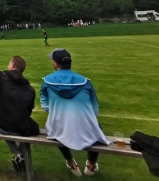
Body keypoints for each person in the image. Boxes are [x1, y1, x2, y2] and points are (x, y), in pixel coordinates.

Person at [40, 48, 109, 177]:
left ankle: (71, 162)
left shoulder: (47, 81)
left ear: (55, 63)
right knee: (97, 128)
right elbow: (95, 109)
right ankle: (91, 165)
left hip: (58, 130)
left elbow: (45, 106)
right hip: (86, 130)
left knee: (54, 128)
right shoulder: (85, 81)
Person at [0, 55, 39, 172]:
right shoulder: (30, 89)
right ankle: (20, 154)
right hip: (21, 128)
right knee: (32, 129)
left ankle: (18, 154)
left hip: (1, 126)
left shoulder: (2, 76)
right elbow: (29, 111)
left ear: (12, 65)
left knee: (5, 123)